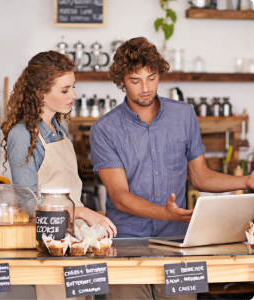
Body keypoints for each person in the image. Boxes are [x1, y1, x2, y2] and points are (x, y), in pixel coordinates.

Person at [89, 37, 254, 300]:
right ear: (121, 81)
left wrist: (246, 181)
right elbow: (119, 196)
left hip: (180, 244)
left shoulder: (184, 114)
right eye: (135, 80)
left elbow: (201, 177)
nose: (145, 88)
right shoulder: (104, 129)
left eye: (152, 77)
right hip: (126, 244)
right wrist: (167, 213)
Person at [1, 50, 117, 300]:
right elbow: (28, 204)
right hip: (50, 244)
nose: (73, 95)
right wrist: (83, 211)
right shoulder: (23, 135)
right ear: (41, 92)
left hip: (75, 241)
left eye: (73, 87)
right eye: (65, 90)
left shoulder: (60, 130)